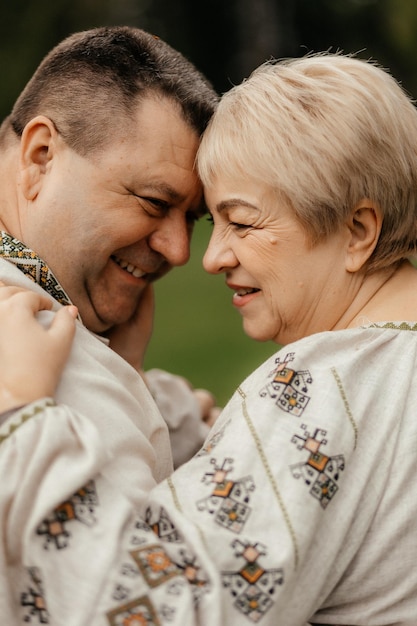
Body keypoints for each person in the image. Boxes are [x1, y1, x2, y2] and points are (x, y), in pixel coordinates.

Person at [2, 52, 417, 625]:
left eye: (241, 222)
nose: (205, 257)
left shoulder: (323, 386)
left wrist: (19, 416)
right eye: (159, 204)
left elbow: (145, 612)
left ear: (357, 231)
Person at [0, 25, 220, 481]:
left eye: (193, 218)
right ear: (40, 156)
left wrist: (140, 390)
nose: (179, 251)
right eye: (154, 202)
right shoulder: (24, 354)